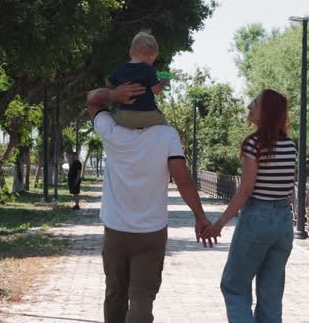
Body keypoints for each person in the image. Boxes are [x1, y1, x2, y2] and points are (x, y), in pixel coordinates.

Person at [87, 83, 216, 323]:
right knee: (142, 299)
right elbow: (183, 182)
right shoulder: (167, 135)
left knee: (115, 293)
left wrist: (113, 94)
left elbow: (93, 100)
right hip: (152, 231)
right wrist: (200, 217)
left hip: (115, 229)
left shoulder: (111, 130)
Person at [202, 89, 298, 323]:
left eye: (254, 104)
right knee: (271, 293)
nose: (249, 108)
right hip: (284, 221)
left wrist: (218, 224)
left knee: (234, 286)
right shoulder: (290, 145)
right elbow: (290, 187)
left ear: (266, 112)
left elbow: (245, 191)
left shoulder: (254, 144)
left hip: (258, 217)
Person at [106, 31, 169, 129]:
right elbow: (156, 90)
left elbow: (108, 83)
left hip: (123, 117)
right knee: (165, 126)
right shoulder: (149, 69)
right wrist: (163, 82)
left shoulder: (121, 68)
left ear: (131, 52)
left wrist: (116, 90)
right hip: (147, 114)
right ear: (150, 57)